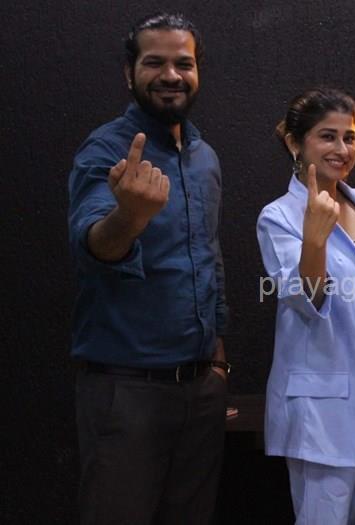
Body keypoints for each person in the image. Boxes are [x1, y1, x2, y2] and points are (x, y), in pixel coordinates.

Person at [67, 13, 229, 524]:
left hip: (200, 391)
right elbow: (92, 245)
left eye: (184, 63)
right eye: (154, 62)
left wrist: (217, 360)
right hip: (127, 392)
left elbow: (208, 255)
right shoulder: (107, 150)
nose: (171, 75)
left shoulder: (204, 157)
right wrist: (130, 217)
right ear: (129, 73)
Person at [257, 88, 355, 525]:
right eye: (327, 136)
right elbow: (306, 301)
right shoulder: (278, 217)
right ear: (296, 143)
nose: (342, 149)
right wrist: (314, 238)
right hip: (321, 410)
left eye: (350, 137)